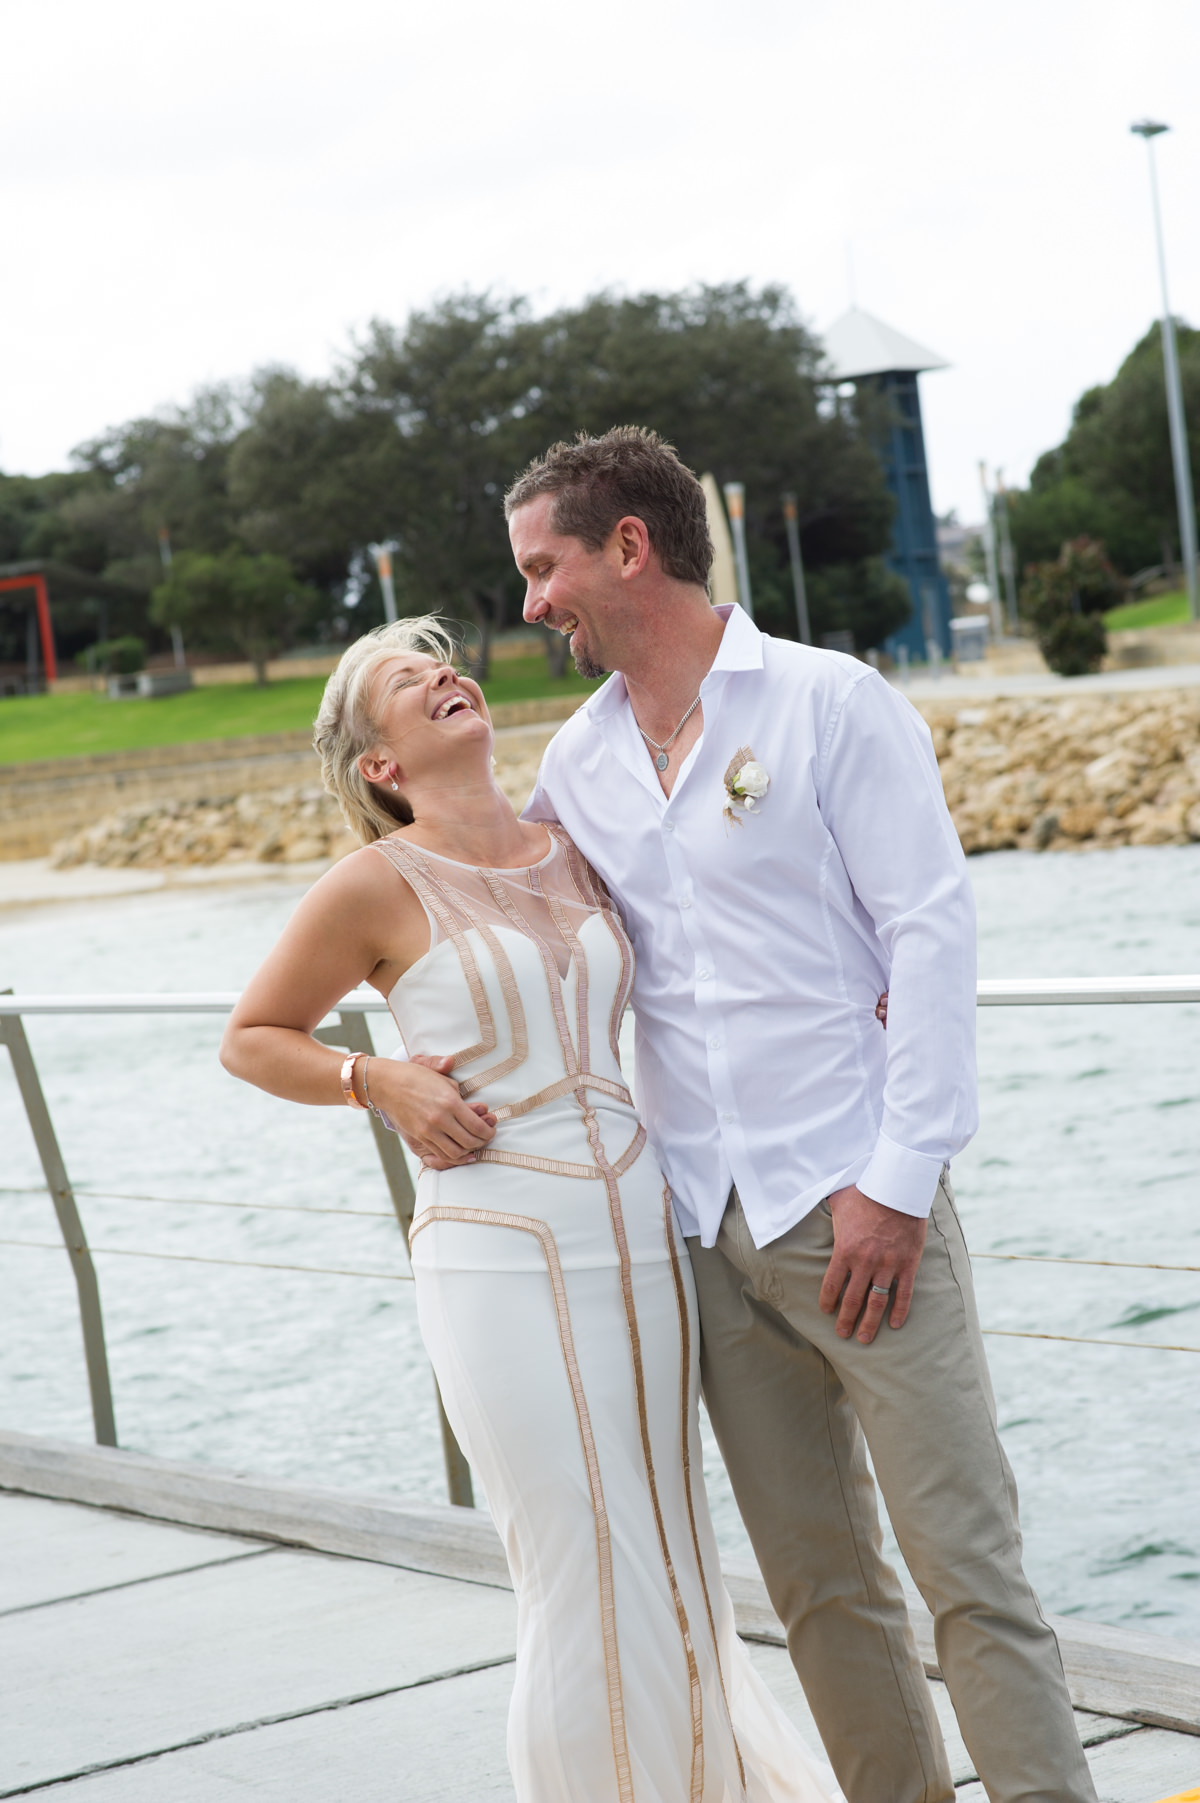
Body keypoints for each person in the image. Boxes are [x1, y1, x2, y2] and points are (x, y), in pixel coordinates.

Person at [496, 427, 1099, 1803]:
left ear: (629, 547)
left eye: (546, 566)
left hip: (859, 1208)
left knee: (969, 1569)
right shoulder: (578, 764)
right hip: (704, 1234)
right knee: (822, 1588)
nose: (533, 601)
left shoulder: (832, 702)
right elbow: (508, 918)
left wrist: (898, 1180)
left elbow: (931, 934)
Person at [220, 615, 840, 1802]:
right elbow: (252, 1040)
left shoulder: (576, 847)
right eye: (411, 681)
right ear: (381, 769)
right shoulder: (371, 884)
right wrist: (375, 1079)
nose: (447, 675)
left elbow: (715, 957)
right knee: (573, 1560)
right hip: (496, 1248)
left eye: (446, 662)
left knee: (667, 1542)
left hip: (642, 1237)